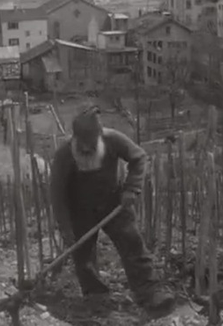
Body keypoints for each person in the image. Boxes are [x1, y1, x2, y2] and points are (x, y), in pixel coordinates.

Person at [50, 105, 175, 317]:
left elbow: (139, 158)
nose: (87, 149)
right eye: (83, 144)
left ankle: (150, 293)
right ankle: (97, 297)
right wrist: (66, 228)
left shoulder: (113, 140)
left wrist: (131, 189)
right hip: (80, 209)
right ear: (75, 138)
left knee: (133, 245)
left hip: (115, 203)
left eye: (92, 143)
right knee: (83, 256)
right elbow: (57, 196)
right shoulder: (64, 155)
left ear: (99, 135)